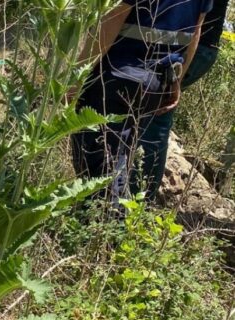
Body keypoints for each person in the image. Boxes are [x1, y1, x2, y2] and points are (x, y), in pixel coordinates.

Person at [70, 0, 212, 208]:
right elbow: (196, 30)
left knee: (97, 160)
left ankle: (104, 225)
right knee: (119, 157)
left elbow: (114, 17)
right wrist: (177, 81)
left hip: (118, 75)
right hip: (157, 81)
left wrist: (75, 79)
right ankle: (110, 222)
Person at [135, 0, 229, 199]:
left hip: (186, 46)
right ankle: (136, 197)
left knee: (153, 117)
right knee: (153, 115)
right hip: (200, 47)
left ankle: (137, 198)